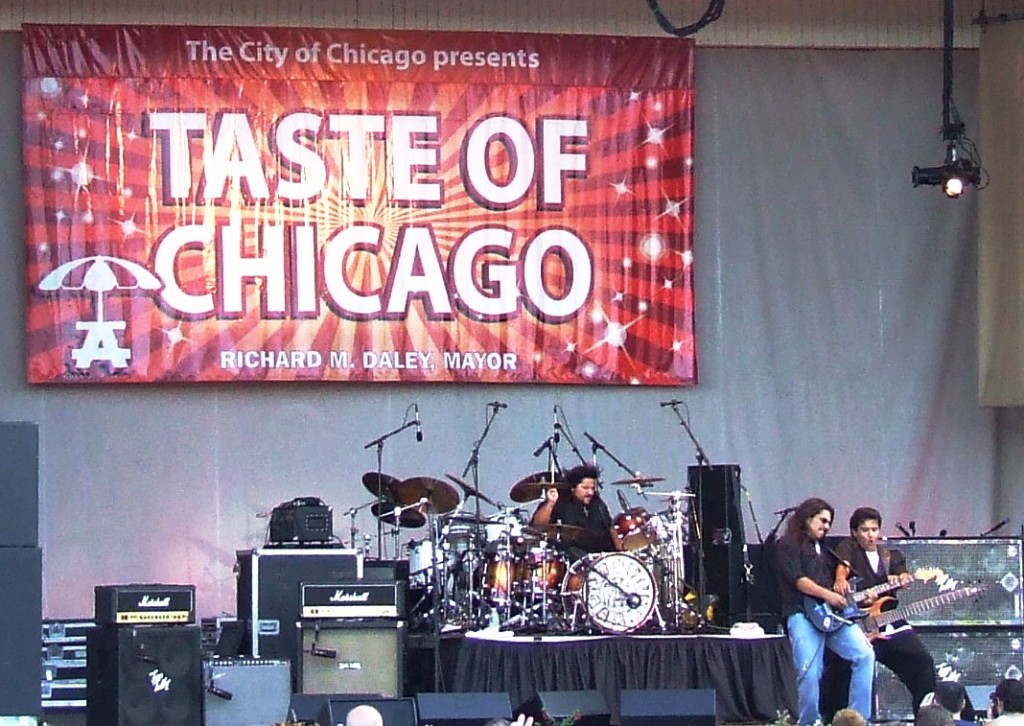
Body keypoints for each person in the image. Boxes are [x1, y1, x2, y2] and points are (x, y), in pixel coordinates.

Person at [822, 506, 937, 720]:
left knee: (922, 662)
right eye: (864, 530)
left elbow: (900, 572)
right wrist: (840, 580)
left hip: (889, 622)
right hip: (857, 625)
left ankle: (927, 719)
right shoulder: (849, 547)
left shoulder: (890, 555)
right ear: (855, 532)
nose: (870, 535)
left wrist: (901, 578)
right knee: (842, 672)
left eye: (874, 529)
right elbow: (843, 565)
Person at [774, 497, 875, 726]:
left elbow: (837, 588)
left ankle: (860, 720)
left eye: (829, 522)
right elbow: (799, 581)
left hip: (832, 617)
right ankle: (809, 722)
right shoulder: (787, 545)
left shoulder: (826, 550)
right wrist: (828, 595)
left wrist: (855, 597)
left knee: (865, 655)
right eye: (822, 520)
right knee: (810, 672)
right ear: (808, 517)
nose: (826, 526)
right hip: (801, 613)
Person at [531, 463, 622, 556]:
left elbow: (611, 529)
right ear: (573, 487)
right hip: (575, 558)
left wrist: (622, 552)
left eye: (593, 488)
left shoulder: (598, 503)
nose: (590, 492)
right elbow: (538, 526)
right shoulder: (561, 502)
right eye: (585, 488)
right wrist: (550, 503)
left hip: (601, 556)